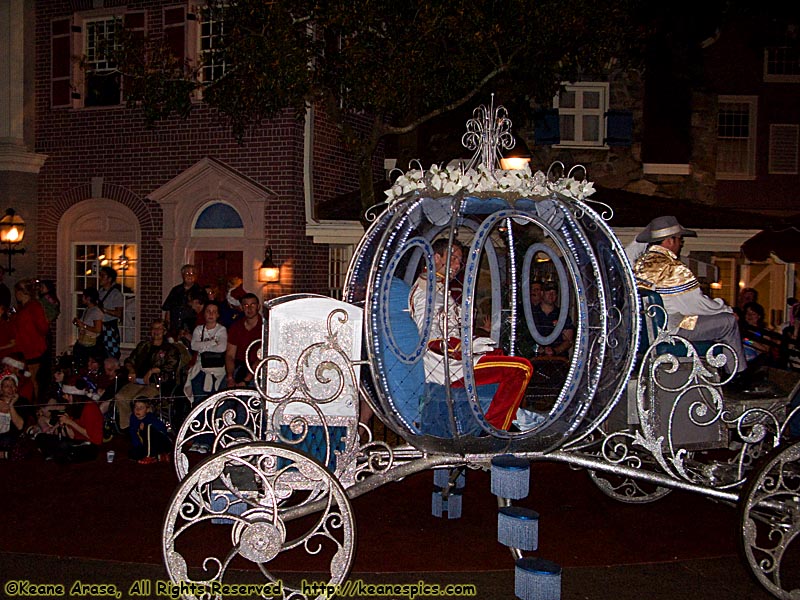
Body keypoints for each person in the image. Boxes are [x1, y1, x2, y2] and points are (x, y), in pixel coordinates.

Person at [408, 239, 533, 431]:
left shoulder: (438, 288)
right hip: (449, 370)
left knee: (500, 355)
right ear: (436, 258)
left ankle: (514, 420)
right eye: (454, 258)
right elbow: (430, 336)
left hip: (458, 363)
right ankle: (495, 430)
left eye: (460, 260)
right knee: (521, 368)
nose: (458, 265)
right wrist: (465, 346)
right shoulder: (426, 293)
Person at [632, 216, 748, 379]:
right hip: (674, 327)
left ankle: (723, 369)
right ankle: (738, 375)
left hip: (654, 329)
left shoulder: (640, 264)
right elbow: (696, 304)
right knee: (728, 322)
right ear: (669, 241)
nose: (681, 243)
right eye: (679, 239)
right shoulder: (672, 267)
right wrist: (725, 308)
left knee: (716, 321)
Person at [113, 319, 180, 430]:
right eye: (154, 328)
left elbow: (170, 366)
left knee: (139, 400)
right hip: (137, 381)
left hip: (155, 383)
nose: (156, 331)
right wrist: (131, 370)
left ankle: (144, 428)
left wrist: (152, 371)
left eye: (159, 328)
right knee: (120, 397)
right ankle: (127, 426)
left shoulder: (170, 349)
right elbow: (129, 361)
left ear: (164, 331)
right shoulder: (143, 346)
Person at [35, 381, 103, 463]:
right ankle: (54, 453)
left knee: (63, 446)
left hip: (91, 445)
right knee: (40, 437)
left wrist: (70, 422)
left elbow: (90, 435)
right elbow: (69, 429)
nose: (65, 397)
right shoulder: (74, 406)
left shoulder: (89, 407)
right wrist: (53, 429)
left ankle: (54, 453)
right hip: (76, 441)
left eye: (67, 395)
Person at [11, 279, 49, 402]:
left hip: (33, 350)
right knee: (25, 380)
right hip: (22, 349)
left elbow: (43, 327)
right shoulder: (22, 307)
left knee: (32, 381)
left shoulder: (34, 307)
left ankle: (34, 406)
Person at [186, 303, 227, 407]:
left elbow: (222, 347)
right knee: (199, 402)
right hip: (200, 368)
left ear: (218, 315)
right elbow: (194, 345)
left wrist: (203, 347)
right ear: (204, 314)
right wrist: (213, 342)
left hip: (217, 370)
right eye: (208, 311)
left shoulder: (221, 330)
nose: (211, 314)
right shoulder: (199, 329)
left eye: (214, 312)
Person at [224, 293, 262, 389]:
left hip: (258, 370)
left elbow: (262, 356)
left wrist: (246, 380)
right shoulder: (236, 327)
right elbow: (230, 355)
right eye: (246, 305)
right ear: (241, 308)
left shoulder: (266, 327)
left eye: (252, 305)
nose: (249, 308)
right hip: (239, 367)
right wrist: (230, 377)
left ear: (258, 306)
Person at [532, 282, 575, 356]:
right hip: (535, 359)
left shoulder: (562, 315)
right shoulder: (532, 314)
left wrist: (555, 351)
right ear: (542, 293)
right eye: (548, 292)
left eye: (554, 293)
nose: (551, 295)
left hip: (558, 360)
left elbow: (569, 341)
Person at [162, 264, 203, 338]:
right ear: (183, 275)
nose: (189, 276)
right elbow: (168, 308)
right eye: (187, 273)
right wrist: (167, 325)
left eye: (192, 273)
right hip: (175, 328)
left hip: (191, 329)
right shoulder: (176, 290)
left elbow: (202, 310)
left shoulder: (200, 291)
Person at [128, 398, 171, 464]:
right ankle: (159, 456)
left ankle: (150, 456)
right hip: (146, 445)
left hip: (161, 443)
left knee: (148, 427)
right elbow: (134, 435)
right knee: (133, 454)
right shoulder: (133, 418)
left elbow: (162, 430)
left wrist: (146, 426)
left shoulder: (151, 418)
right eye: (136, 407)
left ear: (147, 410)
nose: (137, 410)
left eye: (141, 407)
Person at [0, 374, 32, 459]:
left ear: (16, 388)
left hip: (12, 437)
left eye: (12, 386)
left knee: (22, 446)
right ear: (1, 389)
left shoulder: (22, 401)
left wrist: (11, 406)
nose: (10, 389)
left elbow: (20, 426)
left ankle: (5, 454)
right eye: (6, 386)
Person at [72, 287, 104, 371]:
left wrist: (83, 325)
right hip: (82, 342)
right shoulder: (87, 309)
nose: (81, 298)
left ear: (88, 298)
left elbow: (98, 329)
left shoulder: (96, 311)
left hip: (90, 345)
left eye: (83, 296)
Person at [98, 266, 124, 359]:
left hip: (109, 328)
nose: (100, 278)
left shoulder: (116, 294)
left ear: (109, 279)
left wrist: (104, 310)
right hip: (99, 327)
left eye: (103, 276)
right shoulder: (100, 292)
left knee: (110, 354)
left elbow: (118, 313)